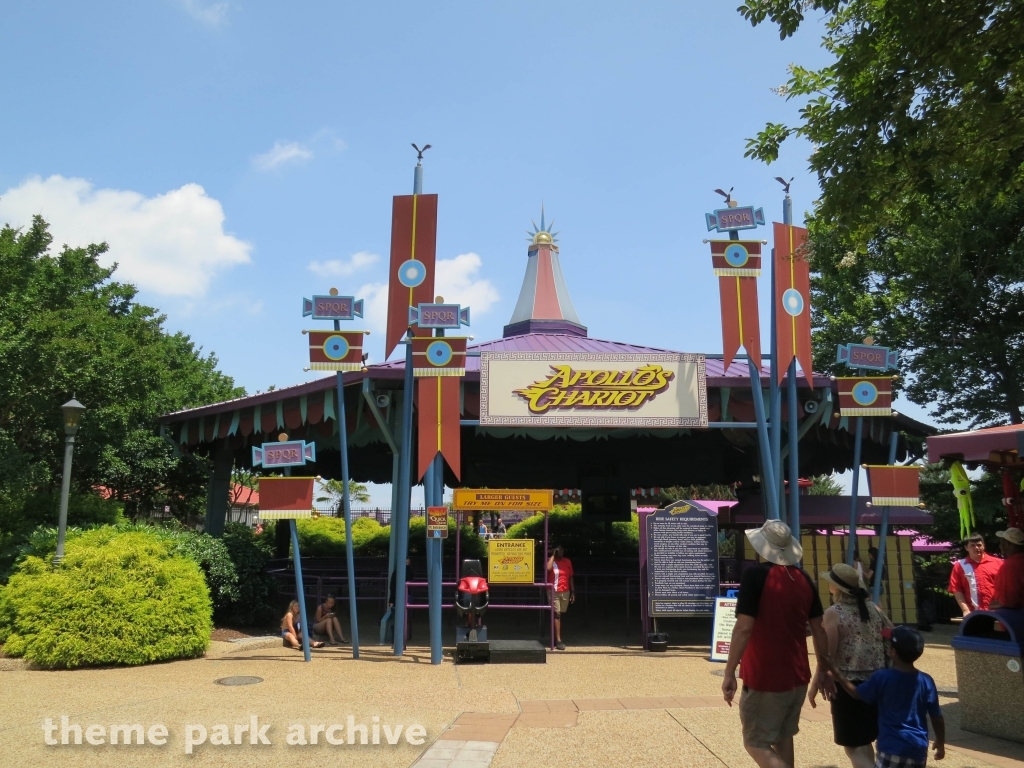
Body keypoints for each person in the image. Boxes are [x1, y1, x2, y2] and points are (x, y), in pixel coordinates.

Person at [722, 519, 829, 768]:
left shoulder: (755, 576)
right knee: (783, 736)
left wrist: (730, 672)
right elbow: (819, 630)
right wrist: (824, 669)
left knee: (755, 742)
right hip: (798, 674)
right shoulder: (803, 578)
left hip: (764, 676)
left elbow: (743, 627)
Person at [809, 563, 893, 768]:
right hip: (877, 681)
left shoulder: (834, 612)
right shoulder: (873, 609)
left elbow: (827, 654)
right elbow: (891, 633)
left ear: (836, 587)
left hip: (847, 684)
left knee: (853, 746)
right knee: (865, 740)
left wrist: (816, 682)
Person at [824, 626, 945, 768]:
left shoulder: (883, 677)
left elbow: (856, 694)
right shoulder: (926, 680)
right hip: (918, 749)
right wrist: (940, 741)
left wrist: (835, 671)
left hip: (891, 747)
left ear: (893, 653)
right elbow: (937, 716)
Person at [948, 533, 1002, 614]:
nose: (976, 548)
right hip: (973, 612)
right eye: (972, 545)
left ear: (983, 545)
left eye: (979, 545)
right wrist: (965, 610)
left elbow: (1006, 586)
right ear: (966, 547)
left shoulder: (998, 563)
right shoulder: (960, 566)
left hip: (997, 612)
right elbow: (956, 589)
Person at [546, 545, 575, 651]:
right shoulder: (550, 561)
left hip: (565, 590)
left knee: (561, 613)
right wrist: (553, 555)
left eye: (562, 550)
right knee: (556, 614)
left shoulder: (567, 561)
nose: (561, 552)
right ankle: (558, 640)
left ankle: (555, 634)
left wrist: (573, 591)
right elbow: (548, 569)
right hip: (553, 590)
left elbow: (570, 576)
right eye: (558, 550)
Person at [991, 527, 1024, 609]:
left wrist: (990, 606)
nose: (1000, 546)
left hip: (1016, 618)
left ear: (1007, 545)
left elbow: (1008, 601)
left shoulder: (1010, 565)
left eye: (1002, 543)